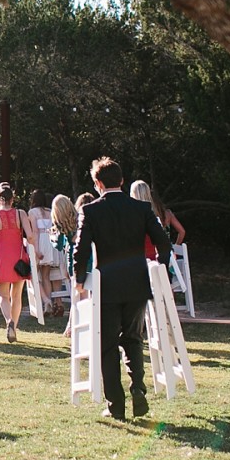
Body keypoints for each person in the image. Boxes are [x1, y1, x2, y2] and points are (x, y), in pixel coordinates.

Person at [73, 158, 171, 420]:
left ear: (97, 183)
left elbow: (81, 248)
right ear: (122, 181)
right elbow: (164, 241)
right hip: (137, 282)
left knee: (107, 345)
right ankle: (138, 389)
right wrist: (160, 267)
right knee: (133, 339)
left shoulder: (91, 211)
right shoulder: (141, 208)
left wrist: (78, 277)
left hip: (107, 286)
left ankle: (115, 404)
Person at [0, 182, 32, 343]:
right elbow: (31, 236)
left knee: (3, 295)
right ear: (13, 199)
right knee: (17, 295)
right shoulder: (21, 213)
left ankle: (8, 321)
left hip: (2, 257)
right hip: (18, 257)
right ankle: (15, 327)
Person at [47, 194, 77, 318]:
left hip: (72, 258)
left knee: (76, 291)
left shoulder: (60, 224)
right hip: (87, 257)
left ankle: (73, 322)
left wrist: (51, 237)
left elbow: (59, 246)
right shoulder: (78, 217)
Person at [27, 188, 57, 303]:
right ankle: (48, 301)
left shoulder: (32, 212)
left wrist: (36, 249)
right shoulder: (50, 211)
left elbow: (35, 231)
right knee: (46, 276)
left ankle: (45, 300)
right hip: (49, 242)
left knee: (33, 274)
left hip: (39, 241)